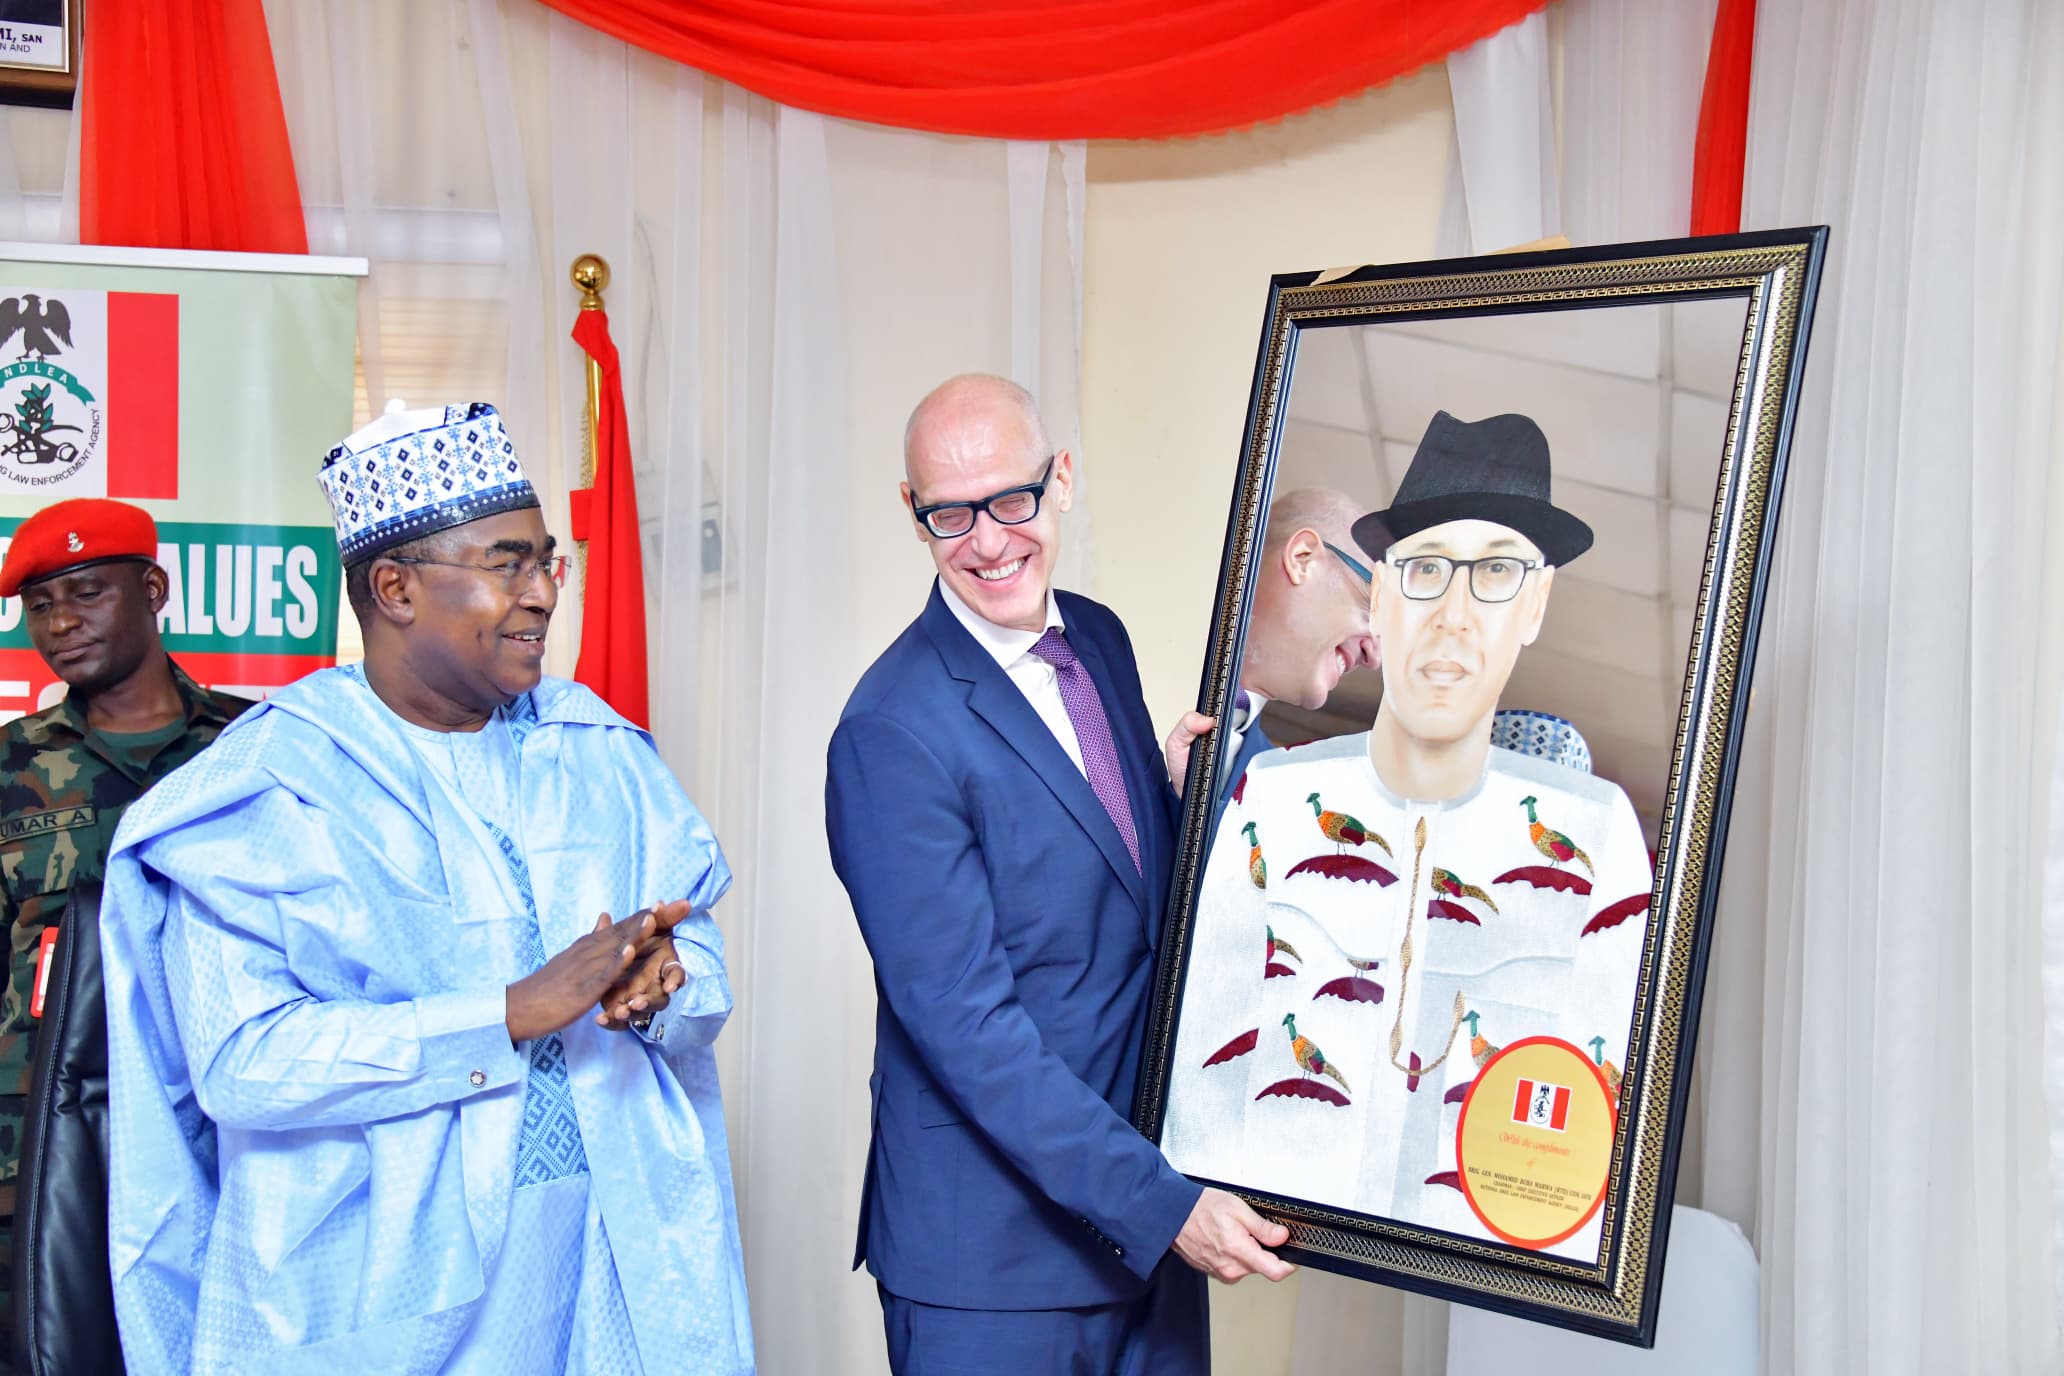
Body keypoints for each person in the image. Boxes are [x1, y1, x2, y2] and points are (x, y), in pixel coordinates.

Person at [99, 404, 752, 1375]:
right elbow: (245, 1059)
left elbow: (698, 959)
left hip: (610, 1265)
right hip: (379, 1291)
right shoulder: (273, 782)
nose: (541, 596)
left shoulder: (598, 749)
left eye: (547, 564)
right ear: (396, 588)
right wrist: (507, 1013)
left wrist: (665, 984)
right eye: (506, 564)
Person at [826, 374, 1291, 1375]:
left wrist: (1177, 801)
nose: (988, 540)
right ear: (913, 512)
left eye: (1011, 498)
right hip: (990, 1267)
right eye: (951, 512)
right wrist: (1166, 1204)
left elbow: (1110, 903)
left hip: (1138, 1232)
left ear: (1062, 479)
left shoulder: (1099, 638)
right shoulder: (890, 730)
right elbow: (968, 1028)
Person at [1161, 411, 1651, 1262]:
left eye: (1497, 575)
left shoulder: (1598, 835)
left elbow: (1589, 1126)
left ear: (1536, 605)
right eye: (1423, 572)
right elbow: (1202, 1081)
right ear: (1389, 597)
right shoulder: (1267, 797)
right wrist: (1180, 1202)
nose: (1453, 616)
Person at [0, 499, 250, 1333]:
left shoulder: (256, 750)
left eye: (86, 593)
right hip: (41, 1139)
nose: (62, 622)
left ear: (153, 588)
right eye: (41, 607)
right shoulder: (11, 766)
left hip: (226, 1130)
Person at [1217, 488, 1378, 805]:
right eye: (1374, 607)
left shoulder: (1280, 800)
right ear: (1302, 557)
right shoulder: (1117, 656)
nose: (1375, 658)